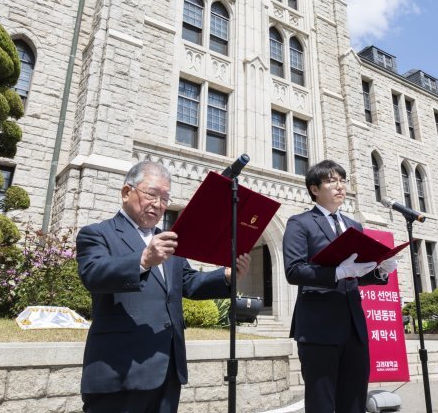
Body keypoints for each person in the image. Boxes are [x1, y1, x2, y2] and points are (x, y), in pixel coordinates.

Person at [76, 160, 251, 413]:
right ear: (127, 192)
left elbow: (189, 283)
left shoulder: (169, 241)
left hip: (167, 369)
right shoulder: (97, 234)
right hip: (120, 371)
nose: (158, 205)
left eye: (165, 199)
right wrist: (144, 260)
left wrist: (226, 275)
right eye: (151, 194)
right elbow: (93, 275)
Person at [282, 159, 398, 413]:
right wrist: (338, 271)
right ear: (314, 188)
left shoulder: (354, 226)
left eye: (343, 181)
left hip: (354, 329)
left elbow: (357, 273)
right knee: (322, 403)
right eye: (332, 181)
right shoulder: (300, 223)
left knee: (355, 401)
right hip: (318, 328)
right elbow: (294, 271)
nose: (340, 186)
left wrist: (380, 272)